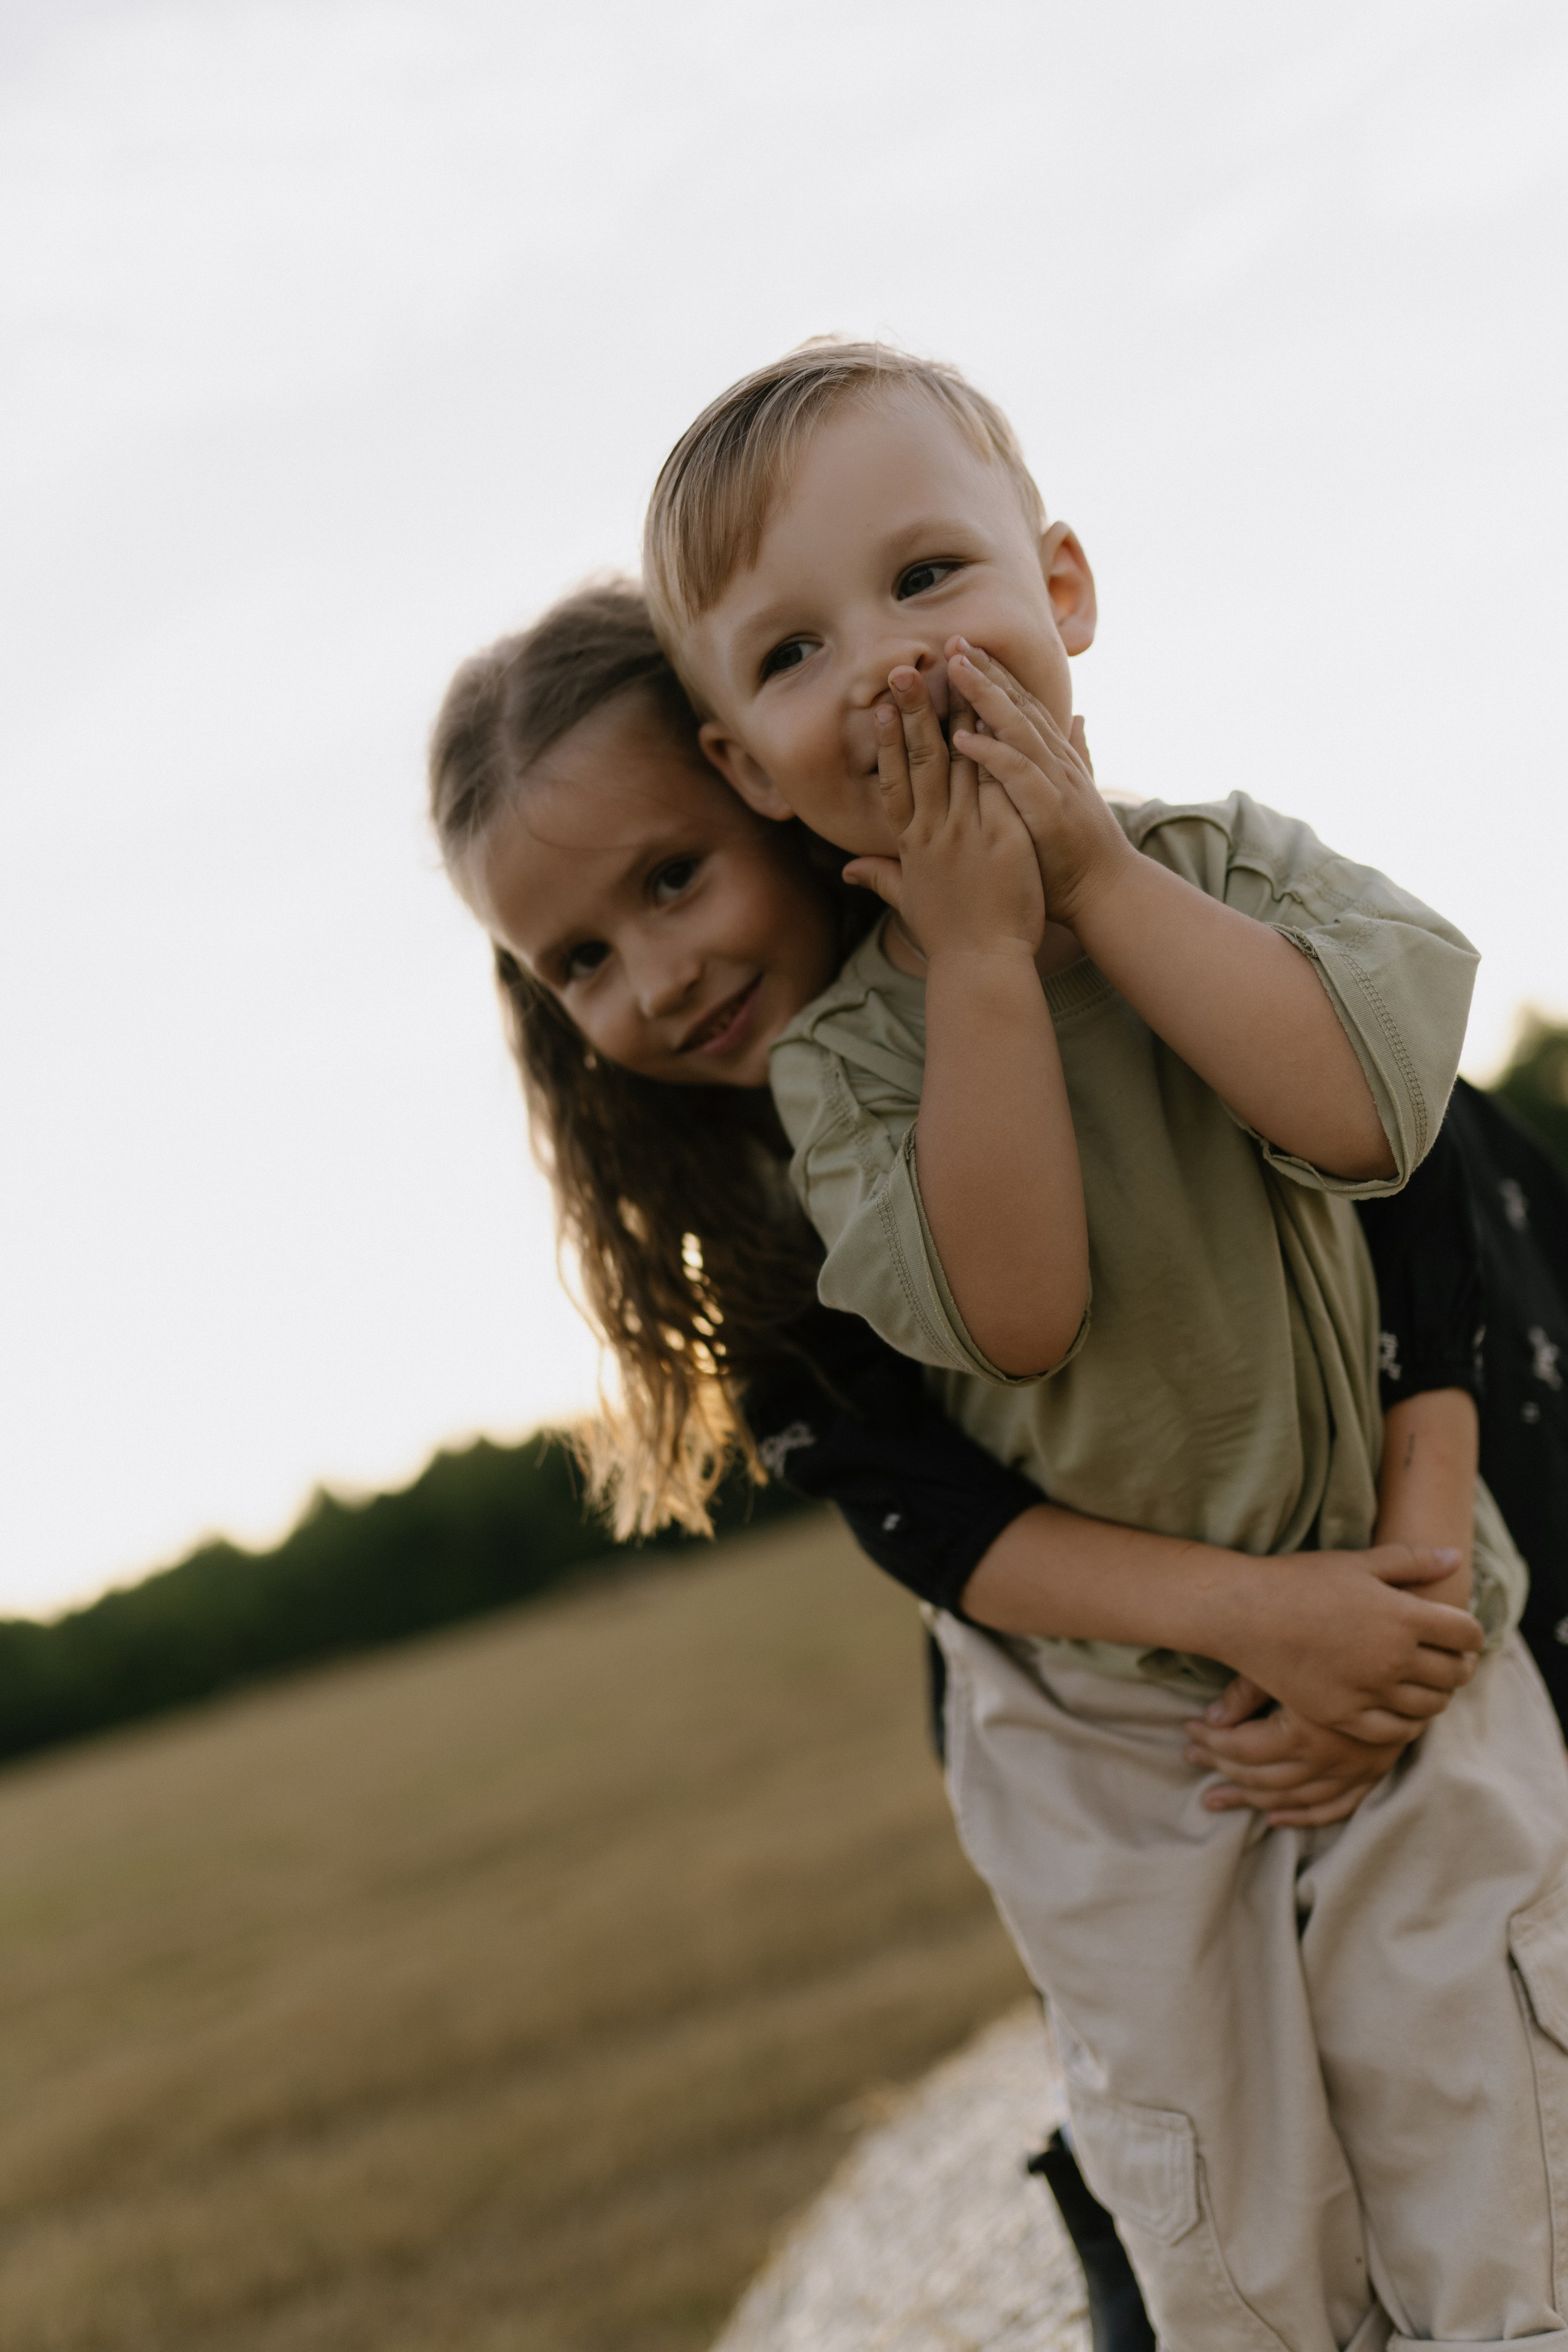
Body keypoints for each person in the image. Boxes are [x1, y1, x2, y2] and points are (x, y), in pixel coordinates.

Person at [428, 578, 1558, 2348]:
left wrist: (1408, 1587)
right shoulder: (757, 1195)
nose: (655, 976)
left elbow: (1413, 1187)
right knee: (1210, 2134)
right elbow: (928, 1511)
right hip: (1129, 1634)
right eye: (576, 961)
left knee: (1486, 2034)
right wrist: (1263, 1623)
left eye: (672, 878)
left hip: (1464, 1448)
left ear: (773, 785)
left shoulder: (1135, 912)